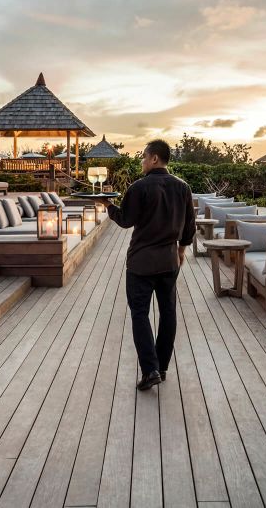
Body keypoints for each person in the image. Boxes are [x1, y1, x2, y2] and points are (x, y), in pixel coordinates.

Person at [98, 139, 195, 390]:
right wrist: (181, 251)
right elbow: (189, 226)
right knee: (168, 313)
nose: (142, 161)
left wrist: (108, 205)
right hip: (168, 261)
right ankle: (161, 367)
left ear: (154, 158)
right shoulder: (183, 187)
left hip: (141, 263)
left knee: (140, 313)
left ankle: (150, 369)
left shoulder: (139, 187)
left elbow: (125, 220)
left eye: (144, 157)